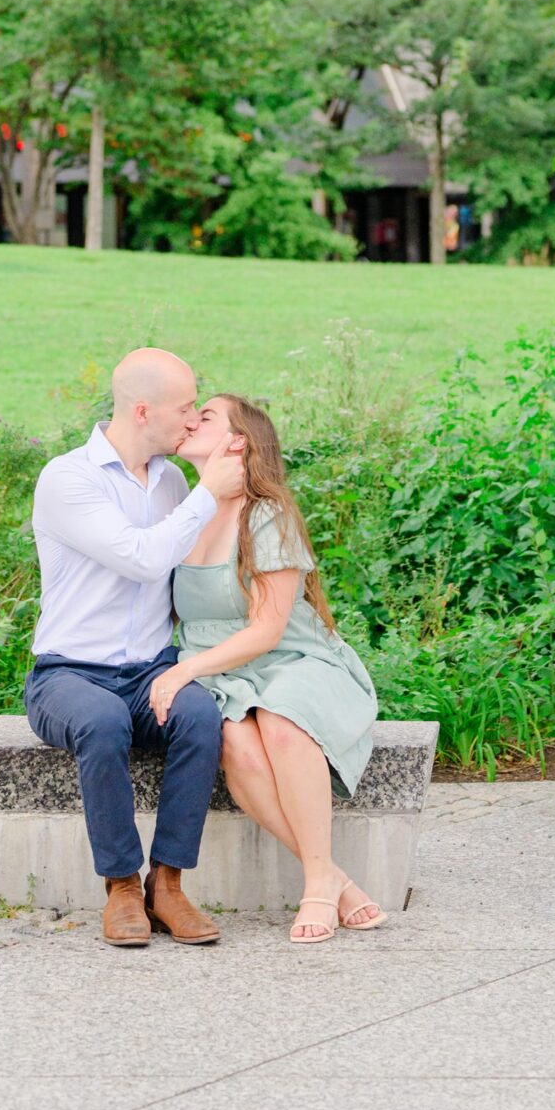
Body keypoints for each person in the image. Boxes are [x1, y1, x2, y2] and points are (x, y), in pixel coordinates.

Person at [25, 347, 244, 948]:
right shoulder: (68, 478)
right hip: (69, 675)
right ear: (143, 411)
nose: (193, 418)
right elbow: (142, 560)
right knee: (101, 722)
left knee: (201, 715)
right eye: (184, 408)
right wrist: (208, 493)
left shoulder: (172, 481)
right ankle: (122, 887)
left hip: (151, 669)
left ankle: (167, 885)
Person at [160, 392, 385, 946]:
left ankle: (314, 884)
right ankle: (338, 882)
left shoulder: (267, 512)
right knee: (235, 744)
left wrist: (179, 674)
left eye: (206, 416)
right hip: (222, 669)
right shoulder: (187, 510)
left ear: (238, 441)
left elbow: (267, 630)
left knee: (282, 724)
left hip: (290, 657)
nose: (191, 421)